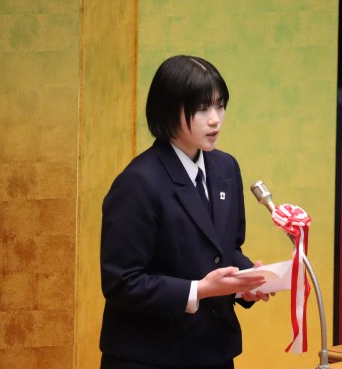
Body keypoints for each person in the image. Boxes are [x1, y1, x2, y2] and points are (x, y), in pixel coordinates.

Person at [99, 55, 272, 369]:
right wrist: (199, 290)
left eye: (220, 106)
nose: (215, 119)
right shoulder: (138, 182)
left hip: (215, 352)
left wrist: (246, 282)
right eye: (203, 108)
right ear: (168, 109)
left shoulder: (226, 168)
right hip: (149, 358)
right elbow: (121, 282)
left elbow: (226, 249)